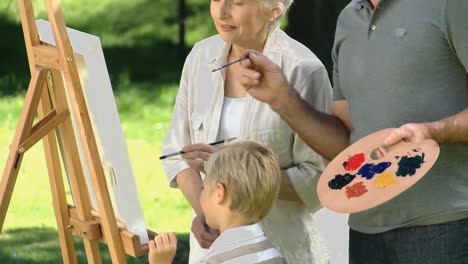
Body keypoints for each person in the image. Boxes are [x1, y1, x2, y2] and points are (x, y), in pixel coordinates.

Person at [238, 0, 468, 263]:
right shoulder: (348, 19)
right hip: (365, 230)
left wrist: (435, 131)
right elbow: (347, 145)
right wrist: (281, 98)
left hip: (448, 225)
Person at [161, 0, 333, 263]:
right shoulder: (200, 56)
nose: (221, 12)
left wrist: (232, 170)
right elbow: (176, 154)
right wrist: (208, 217)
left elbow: (318, 179)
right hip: (212, 250)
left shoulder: (303, 70)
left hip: (280, 250)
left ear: (274, 9)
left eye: (237, 2)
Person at [151, 141, 286, 264]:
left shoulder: (213, 260)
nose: (201, 193)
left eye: (203, 187)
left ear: (219, 192)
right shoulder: (275, 254)